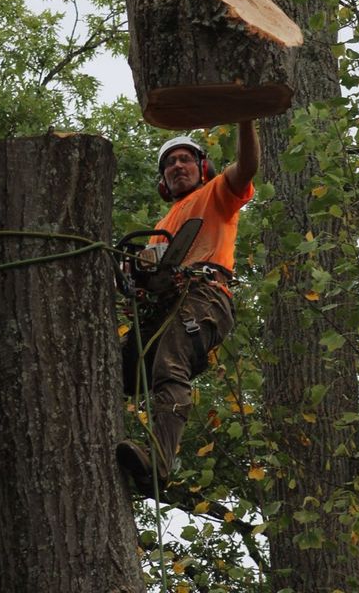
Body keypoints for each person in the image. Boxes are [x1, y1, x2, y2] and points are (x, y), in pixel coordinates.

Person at [116, 120, 259, 495]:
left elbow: (247, 166)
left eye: (185, 160)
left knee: (169, 366)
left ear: (202, 167)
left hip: (204, 296)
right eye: (170, 163)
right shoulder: (162, 224)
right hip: (165, 306)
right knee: (114, 367)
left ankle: (158, 464)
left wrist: (246, 117)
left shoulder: (217, 194)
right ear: (163, 178)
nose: (178, 166)